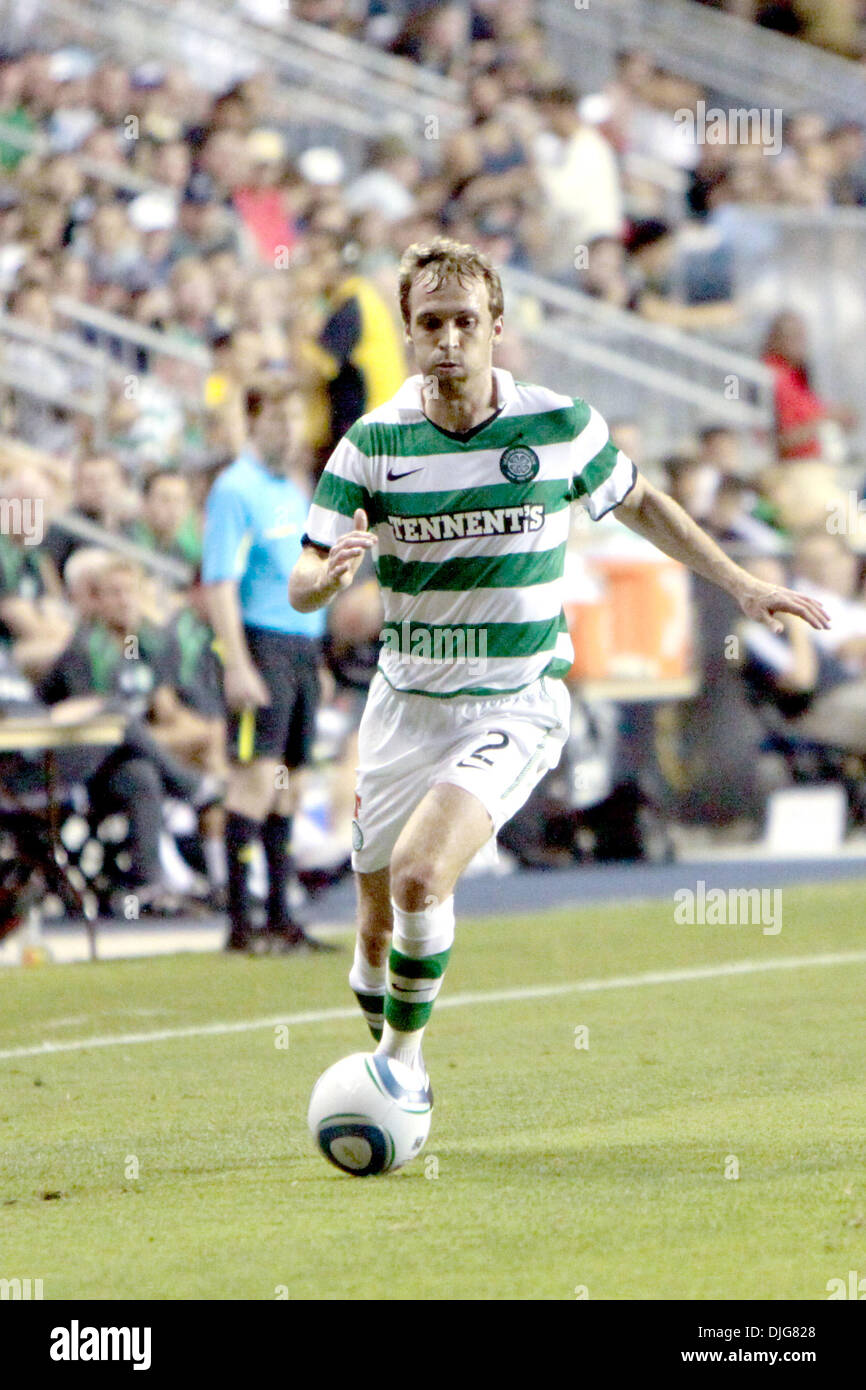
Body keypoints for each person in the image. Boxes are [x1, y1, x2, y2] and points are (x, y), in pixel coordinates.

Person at [289, 235, 830, 1099]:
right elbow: (302, 579)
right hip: (406, 705)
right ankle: (389, 1037)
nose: (450, 340)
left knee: (425, 873)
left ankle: (400, 1071)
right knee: (372, 938)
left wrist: (741, 581)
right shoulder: (371, 443)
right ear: (410, 330)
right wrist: (329, 577)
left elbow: (643, 502)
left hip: (514, 701)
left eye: (467, 321)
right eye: (432, 323)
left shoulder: (558, 425)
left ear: (497, 326)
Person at [203, 378, 336, 954]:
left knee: (291, 787)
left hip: (301, 649)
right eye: (278, 420)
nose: (289, 431)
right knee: (253, 782)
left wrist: (319, 657)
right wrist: (236, 662)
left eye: (295, 420)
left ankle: (282, 918)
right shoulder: (235, 489)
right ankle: (239, 924)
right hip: (261, 646)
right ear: (253, 421)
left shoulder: (293, 487)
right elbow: (219, 582)